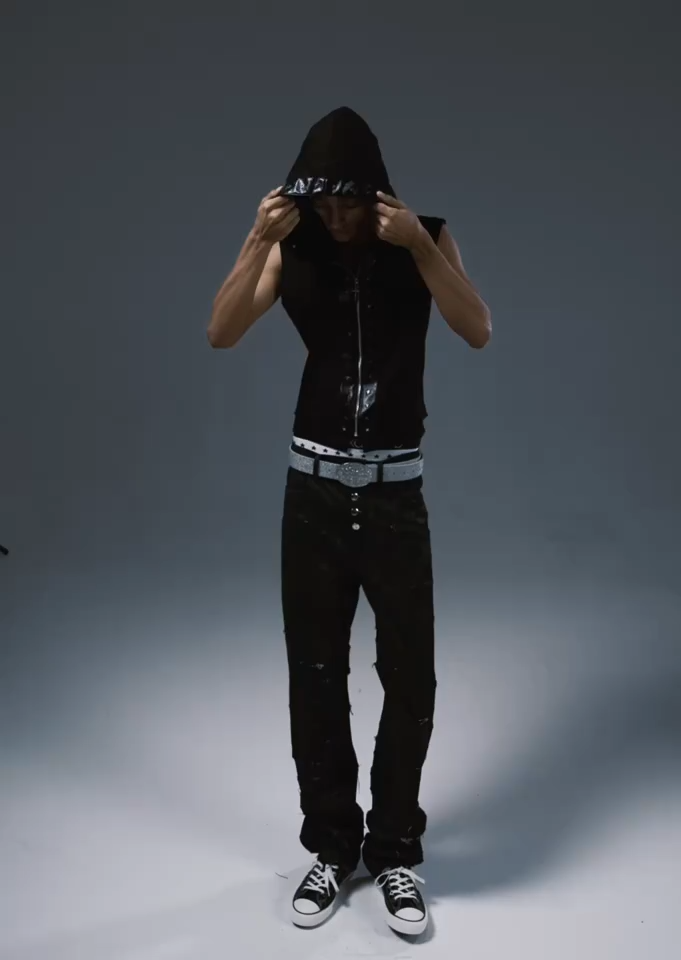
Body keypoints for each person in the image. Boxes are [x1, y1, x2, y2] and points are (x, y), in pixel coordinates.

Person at [207, 106, 491, 936]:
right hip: (315, 494)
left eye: (347, 205)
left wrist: (421, 248)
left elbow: (477, 329)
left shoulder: (423, 238)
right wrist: (256, 239)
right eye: (320, 205)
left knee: (412, 678)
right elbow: (221, 332)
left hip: (395, 495)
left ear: (377, 196)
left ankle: (395, 851)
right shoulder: (292, 247)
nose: (334, 220)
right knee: (316, 675)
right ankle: (333, 846)